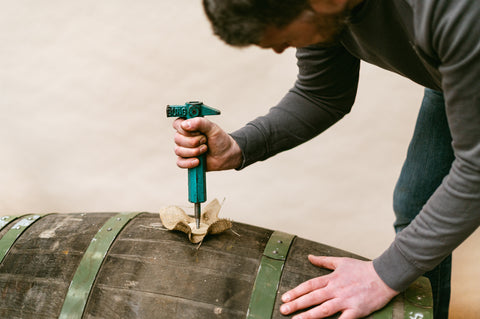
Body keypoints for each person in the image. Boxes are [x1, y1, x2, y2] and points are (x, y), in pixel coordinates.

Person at [172, 0, 480, 318]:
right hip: (453, 77)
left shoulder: (451, 11)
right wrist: (239, 146)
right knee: (418, 207)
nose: (280, 50)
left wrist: (384, 275)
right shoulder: (324, 11)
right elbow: (322, 93)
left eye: (284, 39)